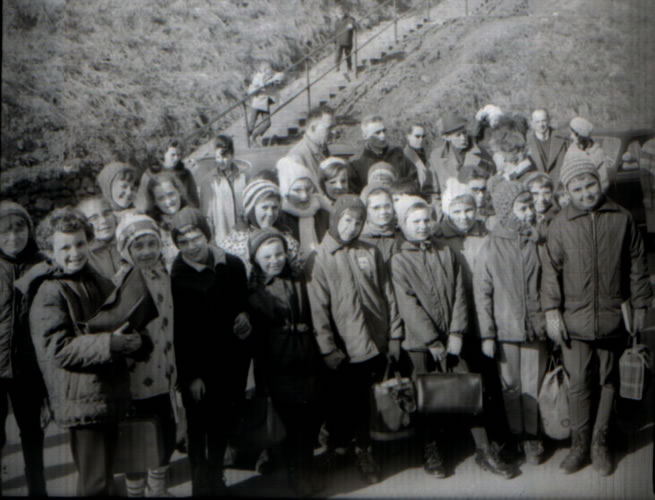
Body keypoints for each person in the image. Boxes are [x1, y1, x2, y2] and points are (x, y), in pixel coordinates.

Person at [541, 157, 652, 476]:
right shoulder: (561, 224)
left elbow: (637, 264)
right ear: (567, 191)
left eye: (590, 184)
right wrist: (551, 312)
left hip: (611, 317)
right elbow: (551, 271)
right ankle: (579, 445)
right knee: (578, 384)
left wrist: (641, 304)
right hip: (573, 322)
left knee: (607, 381)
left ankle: (599, 445)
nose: (586, 193)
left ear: (598, 182)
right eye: (577, 188)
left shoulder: (621, 218)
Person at [390, 196, 514, 479]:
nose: (422, 227)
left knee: (469, 392)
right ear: (404, 225)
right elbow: (408, 305)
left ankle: (484, 449)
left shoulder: (447, 253)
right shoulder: (398, 261)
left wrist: (457, 332)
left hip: (452, 338)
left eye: (426, 220)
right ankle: (432, 451)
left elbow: (460, 293)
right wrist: (432, 340)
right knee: (427, 397)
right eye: (415, 222)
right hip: (421, 344)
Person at [23, 207, 137, 496]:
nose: (74, 252)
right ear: (50, 252)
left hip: (107, 392)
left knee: (107, 476)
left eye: (80, 243)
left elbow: (118, 315)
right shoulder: (49, 291)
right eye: (65, 247)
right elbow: (57, 348)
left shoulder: (95, 278)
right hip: (82, 399)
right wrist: (109, 344)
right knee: (95, 482)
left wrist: (136, 336)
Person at [306, 195, 403, 485]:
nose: (352, 227)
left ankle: (365, 448)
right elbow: (317, 307)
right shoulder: (320, 257)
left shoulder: (370, 252)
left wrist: (394, 334)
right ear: (335, 219)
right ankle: (345, 448)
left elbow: (388, 294)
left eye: (358, 221)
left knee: (366, 400)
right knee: (344, 401)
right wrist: (327, 348)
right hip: (343, 345)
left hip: (375, 340)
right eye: (347, 220)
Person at [170, 207, 252, 497]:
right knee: (197, 429)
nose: (192, 246)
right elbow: (179, 333)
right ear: (176, 244)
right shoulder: (176, 277)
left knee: (221, 424)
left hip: (229, 362)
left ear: (207, 234)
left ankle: (216, 478)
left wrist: (244, 314)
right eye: (184, 241)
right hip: (197, 368)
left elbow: (244, 299)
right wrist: (190, 377)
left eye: (197, 237)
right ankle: (199, 485)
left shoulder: (231, 264)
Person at [474, 179, 548, 466]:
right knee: (511, 386)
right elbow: (483, 294)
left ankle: (533, 435)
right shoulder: (491, 247)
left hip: (535, 327)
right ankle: (516, 434)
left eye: (530, 206)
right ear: (506, 211)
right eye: (522, 207)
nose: (529, 212)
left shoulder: (537, 241)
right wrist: (488, 335)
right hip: (505, 329)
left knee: (533, 383)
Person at [247, 228, 322, 497]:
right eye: (267, 256)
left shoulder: (297, 278)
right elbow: (256, 337)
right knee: (290, 422)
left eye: (279, 254)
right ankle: (297, 474)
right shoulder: (255, 290)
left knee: (308, 418)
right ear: (256, 259)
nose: (275, 260)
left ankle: (307, 468)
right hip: (279, 363)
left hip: (306, 357)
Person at [113, 213, 177, 497]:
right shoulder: (122, 282)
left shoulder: (163, 273)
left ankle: (158, 489)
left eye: (152, 244)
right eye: (139, 246)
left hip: (164, 371)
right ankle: (136, 492)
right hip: (137, 376)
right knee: (138, 438)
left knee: (165, 433)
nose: (147, 251)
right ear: (126, 250)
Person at [0, 201, 47, 497]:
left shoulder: (41, 262)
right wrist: (23, 283)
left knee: (33, 436)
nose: (14, 236)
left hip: (29, 367)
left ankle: (38, 491)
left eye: (20, 228)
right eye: (5, 230)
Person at [219, 177, 302, 277]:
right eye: (265, 207)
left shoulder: (287, 239)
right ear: (251, 209)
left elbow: (298, 272)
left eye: (274, 208)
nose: (270, 213)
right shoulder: (234, 242)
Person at [194, 135, 250, 245]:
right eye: (218, 157)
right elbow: (207, 216)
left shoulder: (243, 177)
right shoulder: (209, 182)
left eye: (224, 156)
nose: (221, 161)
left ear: (232, 155)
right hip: (222, 238)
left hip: (243, 235)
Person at [276, 157, 330, 261]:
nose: (304, 196)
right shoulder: (280, 218)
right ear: (286, 192)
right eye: (297, 190)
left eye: (308, 189)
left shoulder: (322, 213)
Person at [350, 115, 418, 192]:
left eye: (384, 131)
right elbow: (354, 192)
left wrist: (396, 185)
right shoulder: (356, 163)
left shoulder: (398, 155)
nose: (383, 135)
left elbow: (413, 182)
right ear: (365, 136)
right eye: (377, 133)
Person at [429, 114, 495, 192]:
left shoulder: (482, 154)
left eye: (464, 133)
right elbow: (432, 190)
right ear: (446, 137)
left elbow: (493, 182)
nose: (463, 138)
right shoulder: (436, 157)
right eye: (458, 135)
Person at [135, 140, 199, 213]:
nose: (176, 158)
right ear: (164, 154)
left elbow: (194, 198)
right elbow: (143, 201)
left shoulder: (185, 173)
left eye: (179, 155)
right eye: (173, 155)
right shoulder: (150, 174)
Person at [144, 172, 189, 271]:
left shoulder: (193, 218)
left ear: (179, 192)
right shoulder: (155, 231)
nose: (168, 202)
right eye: (161, 198)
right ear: (155, 202)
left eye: (171, 194)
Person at [77, 196, 122, 279]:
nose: (103, 221)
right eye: (94, 218)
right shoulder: (83, 256)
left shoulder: (128, 245)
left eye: (107, 213)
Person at [562, 117, 610, 192]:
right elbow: (565, 176)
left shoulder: (598, 153)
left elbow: (604, 182)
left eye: (573, 134)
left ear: (581, 136)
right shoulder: (571, 150)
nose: (571, 136)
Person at [287, 107, 335, 179]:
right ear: (313, 128)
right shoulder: (297, 156)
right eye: (329, 128)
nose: (333, 132)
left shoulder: (324, 150)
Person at [359, 184, 400, 264]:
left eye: (387, 206)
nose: (383, 212)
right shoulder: (360, 241)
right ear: (366, 210)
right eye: (376, 208)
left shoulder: (401, 236)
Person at [526, 109, 568, 187]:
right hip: (538, 188)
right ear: (531, 123)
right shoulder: (526, 143)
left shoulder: (563, 140)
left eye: (543, 121)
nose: (541, 125)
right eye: (537, 122)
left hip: (560, 187)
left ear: (548, 120)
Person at [247, 62, 284, 146]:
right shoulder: (258, 77)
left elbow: (280, 75)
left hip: (264, 103)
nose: (269, 71)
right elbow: (252, 88)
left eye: (269, 68)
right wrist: (261, 86)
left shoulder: (273, 75)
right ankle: (250, 139)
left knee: (267, 123)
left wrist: (273, 80)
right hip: (256, 103)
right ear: (262, 70)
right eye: (266, 69)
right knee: (251, 124)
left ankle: (254, 136)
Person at [404, 124, 440, 196]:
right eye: (417, 136)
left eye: (423, 136)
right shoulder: (404, 156)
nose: (421, 140)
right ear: (408, 136)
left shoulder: (426, 154)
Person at [334, 4, 357, 76]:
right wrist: (334, 39)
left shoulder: (349, 19)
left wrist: (352, 25)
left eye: (340, 13)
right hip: (339, 41)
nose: (339, 15)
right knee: (338, 55)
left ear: (343, 13)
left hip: (347, 41)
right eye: (338, 14)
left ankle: (349, 67)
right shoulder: (336, 21)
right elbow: (335, 31)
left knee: (348, 55)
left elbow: (353, 24)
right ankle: (337, 67)